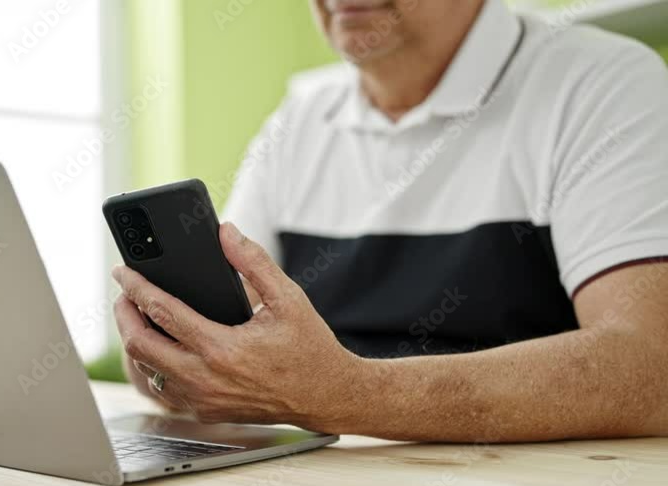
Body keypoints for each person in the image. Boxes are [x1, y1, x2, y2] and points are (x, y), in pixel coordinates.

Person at [111, 0, 668, 442]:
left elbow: (651, 365)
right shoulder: (302, 114)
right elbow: (224, 351)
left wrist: (346, 396)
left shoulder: (605, 82)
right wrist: (169, 361)